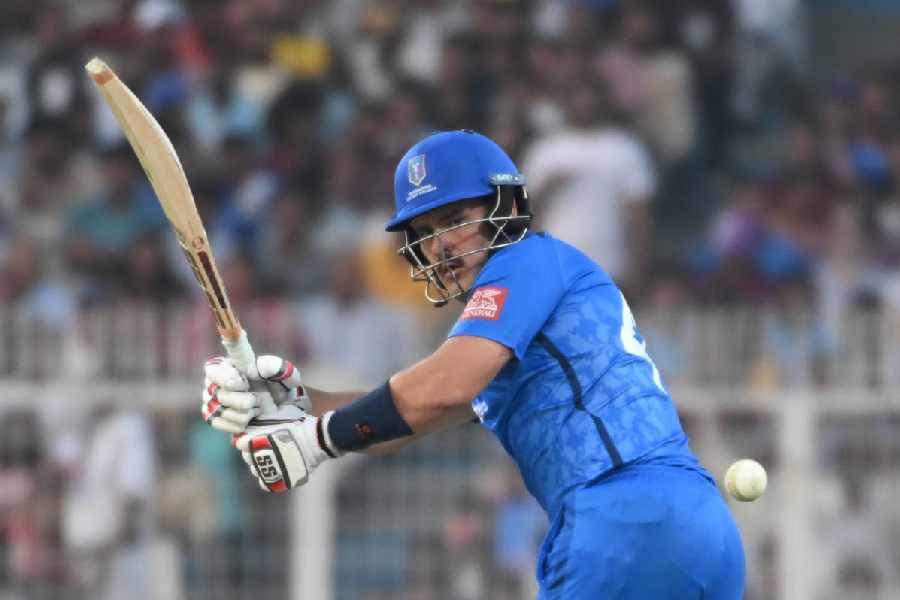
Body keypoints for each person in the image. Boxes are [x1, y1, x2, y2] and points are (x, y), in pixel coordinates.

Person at [201, 130, 746, 598]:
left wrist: (319, 438)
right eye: (423, 232)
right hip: (700, 525)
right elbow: (407, 419)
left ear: (505, 209)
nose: (439, 246)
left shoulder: (527, 260)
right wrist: (297, 402)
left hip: (619, 520)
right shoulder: (517, 316)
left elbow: (447, 384)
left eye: (455, 220)